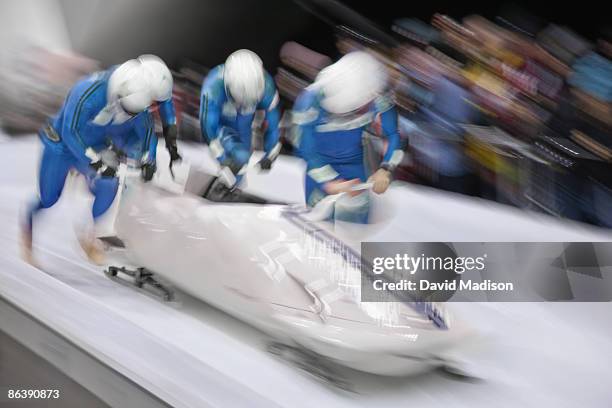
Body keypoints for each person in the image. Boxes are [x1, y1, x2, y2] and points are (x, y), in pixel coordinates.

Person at [22, 55, 181, 265]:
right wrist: (95, 161)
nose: (131, 114)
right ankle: (27, 226)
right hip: (61, 144)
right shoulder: (87, 93)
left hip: (98, 142)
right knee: (49, 198)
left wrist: (147, 160)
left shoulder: (138, 97)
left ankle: (91, 235)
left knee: (109, 183)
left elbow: (147, 135)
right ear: (117, 95)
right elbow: (70, 132)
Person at [292, 51, 403, 223]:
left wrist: (386, 168)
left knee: (355, 224)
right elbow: (305, 149)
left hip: (354, 165)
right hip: (319, 164)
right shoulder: (309, 100)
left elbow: (394, 135)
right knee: (320, 224)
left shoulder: (378, 96)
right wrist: (330, 182)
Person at [199, 49, 281, 188]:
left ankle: (231, 185)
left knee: (243, 158)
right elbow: (208, 128)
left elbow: (274, 126)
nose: (244, 105)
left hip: (244, 123)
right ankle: (225, 184)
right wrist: (222, 158)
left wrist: (270, 155)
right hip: (222, 121)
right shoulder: (213, 87)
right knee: (239, 155)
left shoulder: (267, 87)